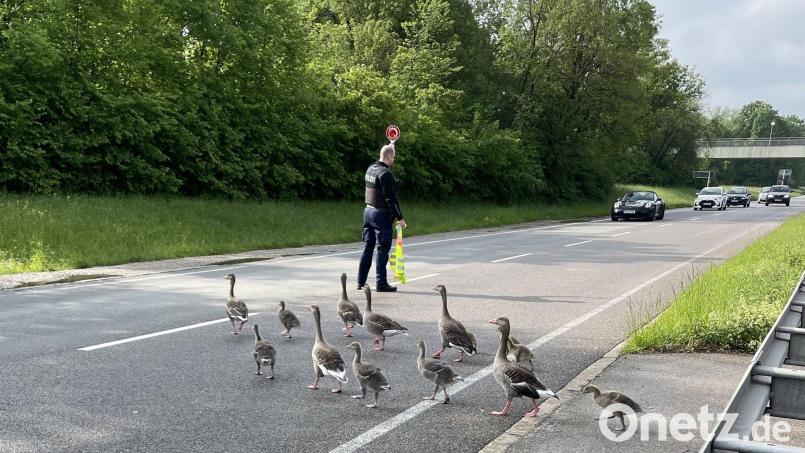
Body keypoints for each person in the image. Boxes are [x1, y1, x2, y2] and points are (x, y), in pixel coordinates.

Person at [357, 144, 407, 292]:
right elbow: (390, 199)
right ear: (389, 157)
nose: (394, 160)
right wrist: (400, 218)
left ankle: (360, 282)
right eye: (394, 157)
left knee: (368, 248)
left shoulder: (370, 169)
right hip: (380, 215)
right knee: (382, 249)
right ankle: (381, 283)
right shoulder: (385, 174)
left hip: (368, 212)